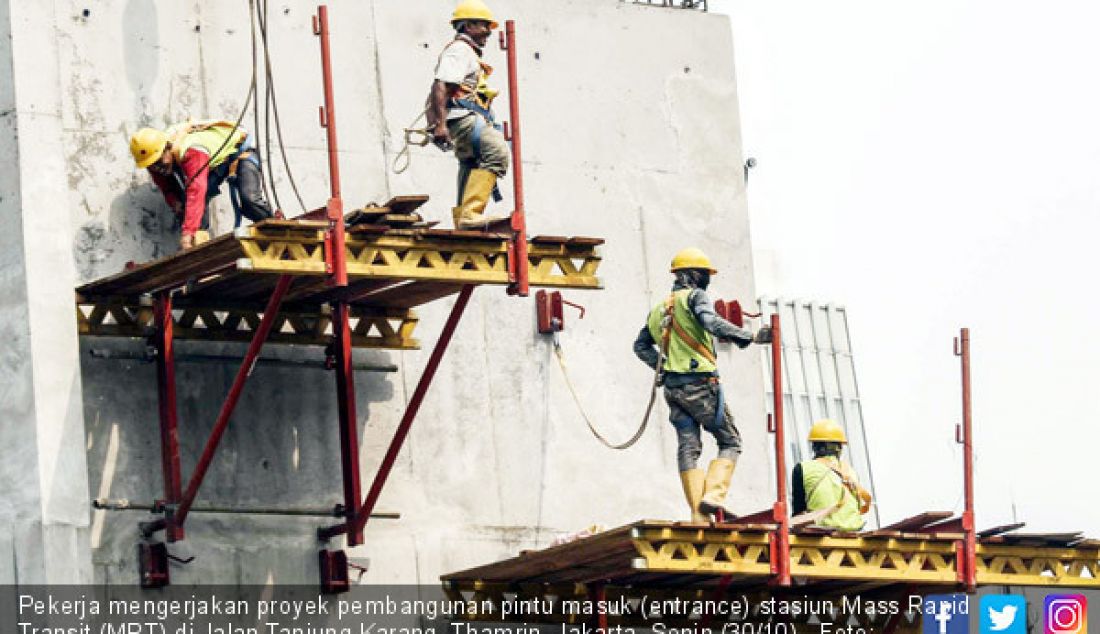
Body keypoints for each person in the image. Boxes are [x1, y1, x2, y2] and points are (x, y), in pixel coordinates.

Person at [633, 247, 772, 523]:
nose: (708, 279)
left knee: (688, 446)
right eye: (706, 274)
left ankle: (698, 513)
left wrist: (662, 368)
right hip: (701, 386)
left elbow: (640, 346)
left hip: (674, 390)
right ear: (695, 275)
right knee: (730, 440)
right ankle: (714, 497)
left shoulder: (659, 309)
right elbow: (711, 322)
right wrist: (751, 337)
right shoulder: (696, 297)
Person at [427, 0, 511, 230]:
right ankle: (470, 214)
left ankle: (463, 218)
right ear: (467, 26)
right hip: (461, 117)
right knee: (497, 153)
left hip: (464, 117)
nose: (488, 32)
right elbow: (441, 85)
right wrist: (440, 125)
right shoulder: (459, 50)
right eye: (484, 26)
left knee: (471, 162)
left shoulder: (467, 53)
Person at [129, 120, 277, 250]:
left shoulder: (191, 152)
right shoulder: (155, 159)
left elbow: (197, 190)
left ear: (167, 148)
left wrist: (188, 233)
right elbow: (166, 186)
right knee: (187, 208)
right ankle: (199, 247)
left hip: (239, 151)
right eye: (151, 166)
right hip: (214, 162)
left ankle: (275, 229)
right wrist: (175, 202)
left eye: (159, 162)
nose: (157, 168)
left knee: (249, 200)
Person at [791, 419, 873, 531]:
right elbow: (856, 507)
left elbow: (799, 514)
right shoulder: (851, 472)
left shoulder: (802, 468)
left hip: (821, 533)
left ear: (814, 446)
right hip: (854, 532)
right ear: (839, 448)